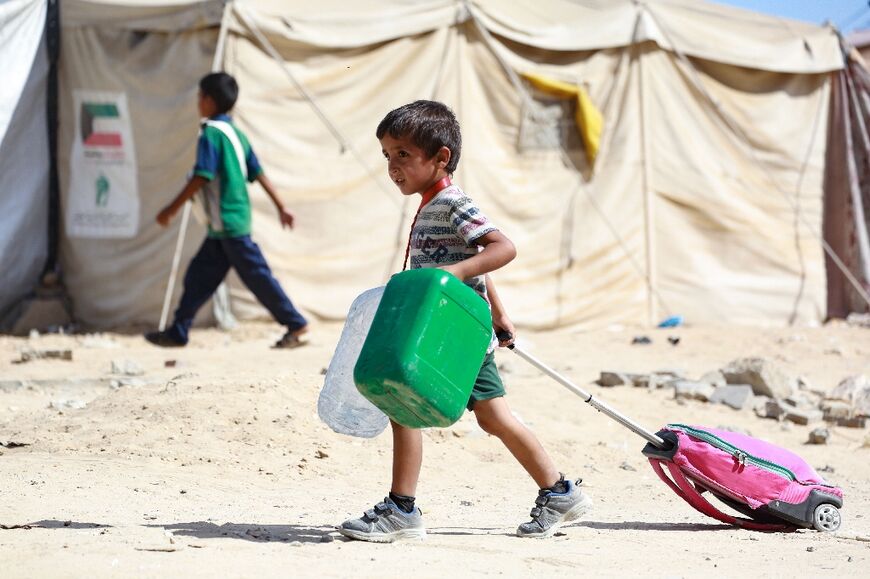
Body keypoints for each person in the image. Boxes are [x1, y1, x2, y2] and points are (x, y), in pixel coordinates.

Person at [338, 100, 591, 542]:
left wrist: (448, 277)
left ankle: (401, 510)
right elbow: (475, 261)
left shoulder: (453, 202)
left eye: (403, 155)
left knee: (411, 409)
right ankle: (558, 491)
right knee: (491, 418)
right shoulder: (429, 203)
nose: (393, 167)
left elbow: (501, 247)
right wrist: (498, 311)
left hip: (451, 337)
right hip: (448, 333)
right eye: (387, 156)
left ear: (441, 158)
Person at [145, 72, 308, 349]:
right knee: (198, 277)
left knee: (258, 277)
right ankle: (178, 331)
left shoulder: (210, 134)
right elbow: (258, 173)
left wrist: (171, 209)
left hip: (228, 223)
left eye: (200, 97)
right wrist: (281, 207)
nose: (198, 102)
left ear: (208, 100)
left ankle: (295, 323)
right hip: (226, 225)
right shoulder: (237, 134)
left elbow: (202, 175)